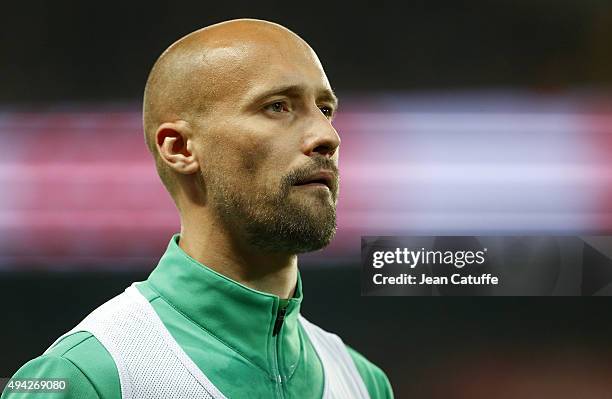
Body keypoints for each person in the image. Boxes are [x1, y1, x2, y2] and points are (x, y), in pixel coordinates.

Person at [2, 19, 394, 399]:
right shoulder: (86, 376)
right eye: (277, 106)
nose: (328, 136)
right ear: (180, 148)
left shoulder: (364, 382)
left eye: (325, 110)